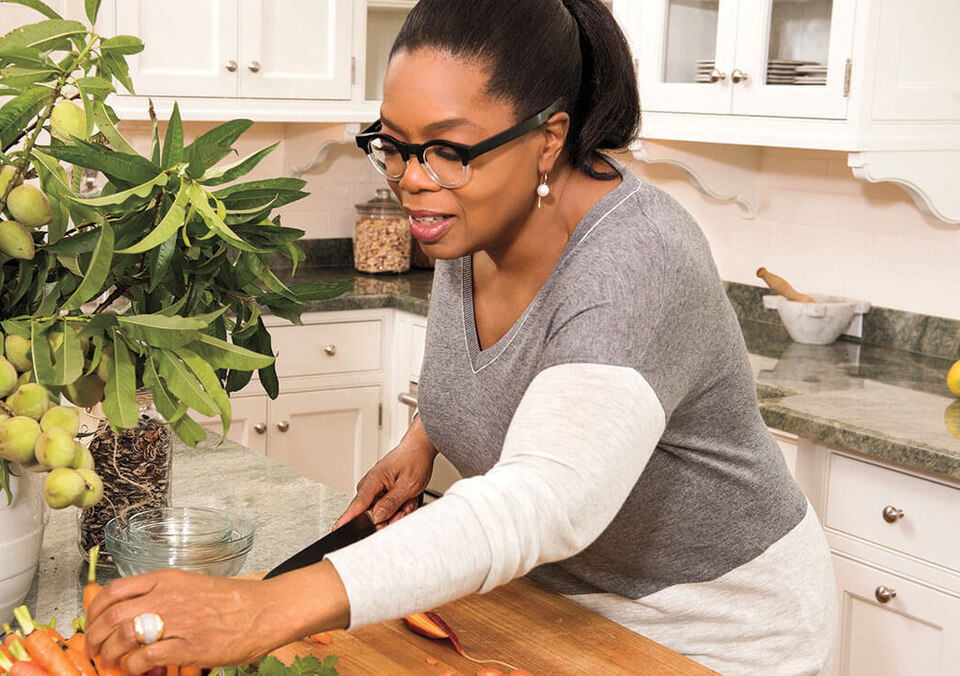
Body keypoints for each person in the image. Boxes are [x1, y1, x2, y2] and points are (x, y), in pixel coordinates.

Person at [85, 1, 838, 674]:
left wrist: (263, 610)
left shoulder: (638, 261)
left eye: (447, 147)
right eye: (395, 143)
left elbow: (543, 499)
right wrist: (427, 436)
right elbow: (523, 369)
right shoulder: (466, 216)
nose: (411, 178)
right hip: (555, 602)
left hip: (715, 631)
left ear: (549, 139)